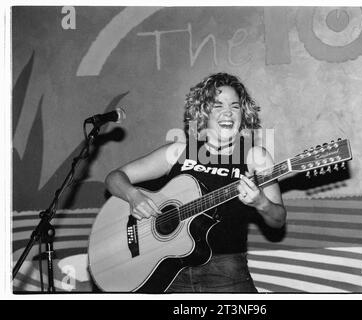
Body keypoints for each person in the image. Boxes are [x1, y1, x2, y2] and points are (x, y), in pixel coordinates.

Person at [105, 72, 286, 293]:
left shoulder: (255, 157)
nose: (228, 112)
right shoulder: (179, 152)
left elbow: (278, 219)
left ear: (243, 113)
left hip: (225, 270)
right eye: (218, 105)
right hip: (167, 270)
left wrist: (261, 203)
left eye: (235, 106)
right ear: (204, 111)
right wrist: (133, 196)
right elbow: (115, 178)